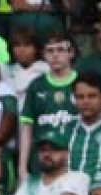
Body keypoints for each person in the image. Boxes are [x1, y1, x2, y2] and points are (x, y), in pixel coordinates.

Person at [18, 32, 78, 178]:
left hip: (75, 158)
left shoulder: (83, 83)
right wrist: (22, 166)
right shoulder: (36, 85)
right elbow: (26, 128)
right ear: (44, 55)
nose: (55, 55)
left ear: (71, 53)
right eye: (50, 51)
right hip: (42, 161)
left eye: (60, 50)